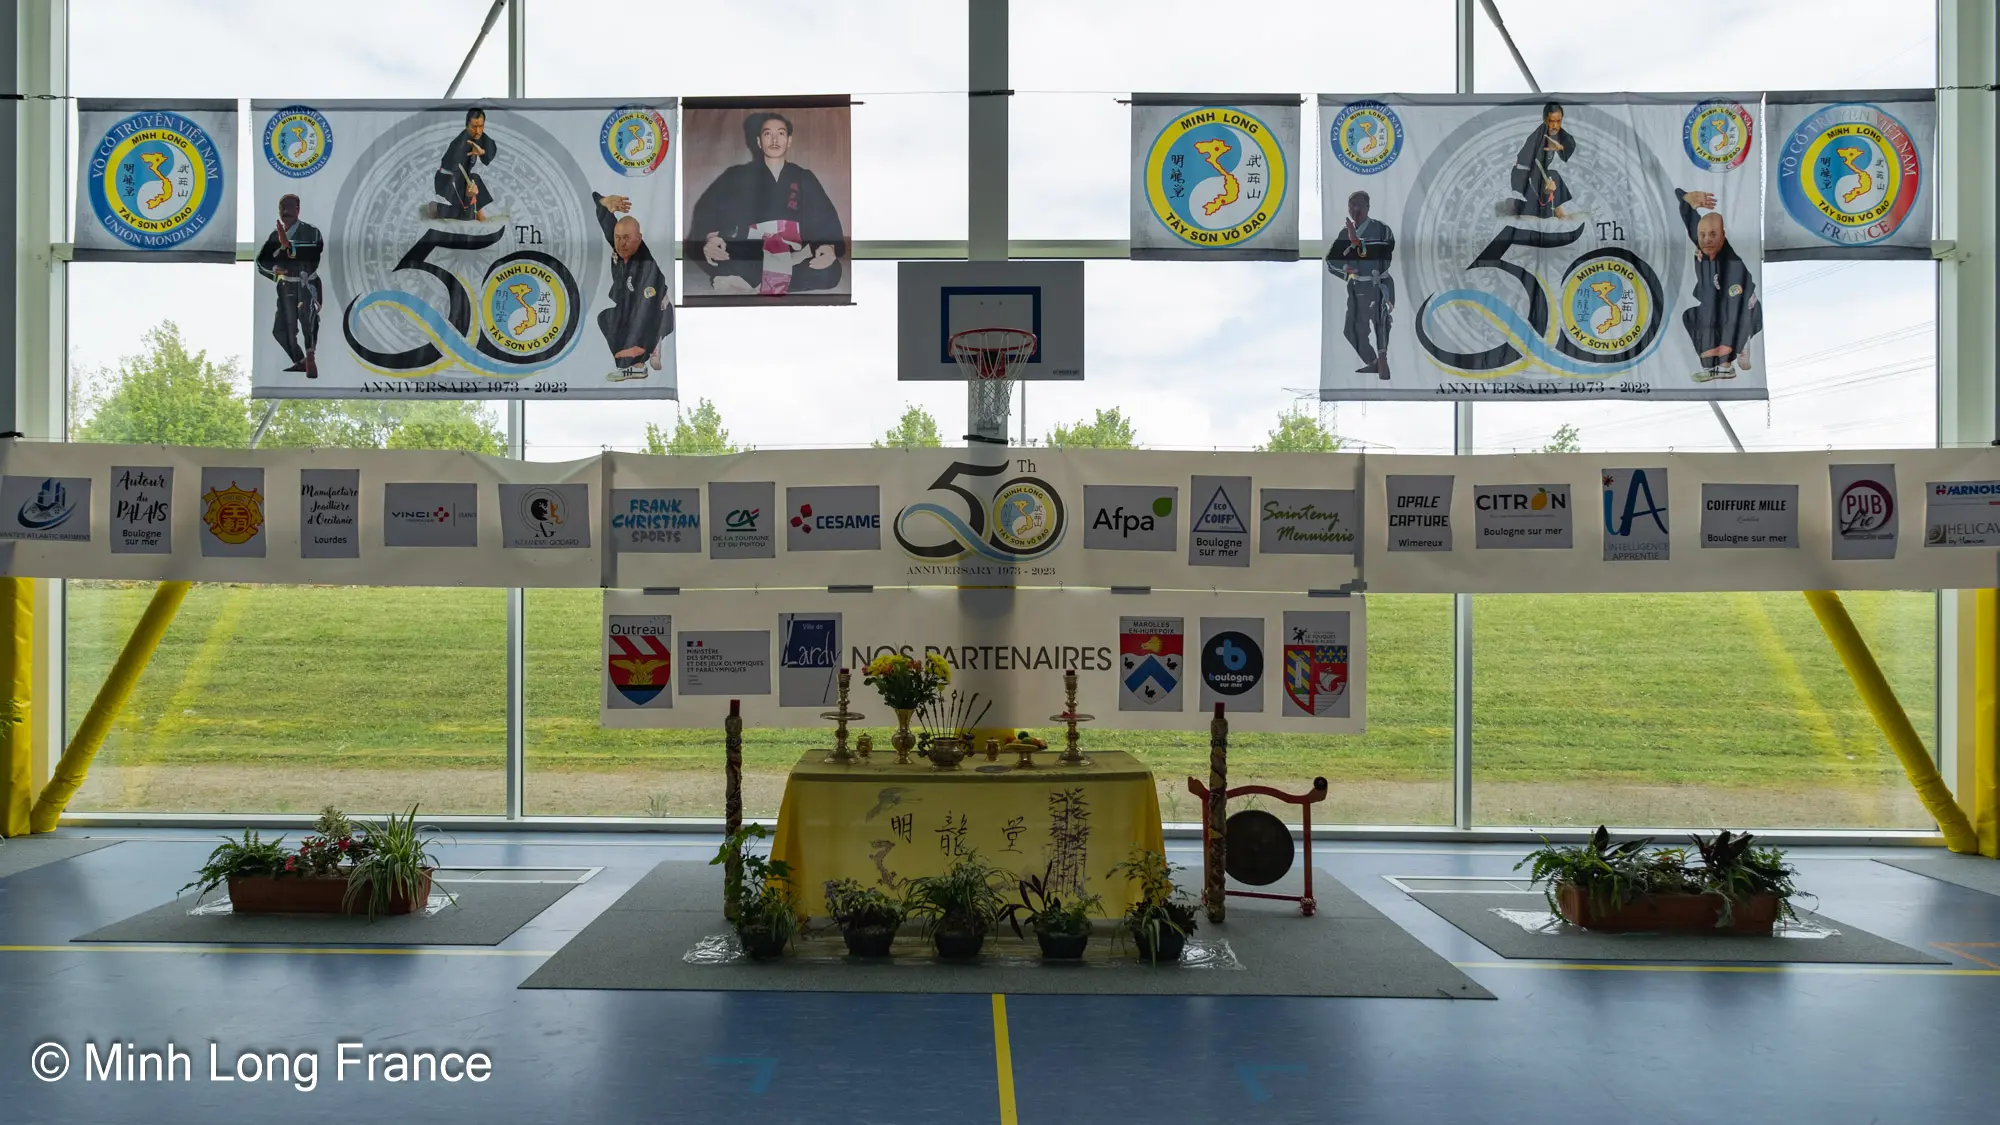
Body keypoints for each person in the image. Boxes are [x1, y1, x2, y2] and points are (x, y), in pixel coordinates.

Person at [685, 112, 845, 295]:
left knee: (830, 272)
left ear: (789, 141)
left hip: (794, 251)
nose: (775, 139)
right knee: (722, 258)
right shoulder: (737, 175)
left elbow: (822, 214)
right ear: (759, 142)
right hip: (752, 250)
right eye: (768, 134)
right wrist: (712, 239)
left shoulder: (804, 177)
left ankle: (753, 282)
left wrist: (826, 247)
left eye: (781, 133)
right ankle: (774, 279)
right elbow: (711, 208)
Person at [1673, 187, 1761, 383]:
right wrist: (1685, 198)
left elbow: (1734, 310)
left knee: (1721, 319)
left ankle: (1730, 358)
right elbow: (1692, 222)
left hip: (1745, 310)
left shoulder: (1732, 267)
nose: (1706, 240)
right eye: (1702, 236)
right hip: (1718, 300)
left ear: (1722, 235)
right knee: (1691, 316)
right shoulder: (1703, 245)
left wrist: (1726, 350)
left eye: (1712, 235)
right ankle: (1712, 361)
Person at [592, 191, 672, 382]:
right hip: (632, 305)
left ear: (639, 238)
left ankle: (638, 363)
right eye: (618, 238)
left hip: (656, 313)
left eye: (626, 238)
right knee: (606, 317)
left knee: (633, 321)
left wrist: (633, 351)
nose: (621, 243)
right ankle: (633, 359)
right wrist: (602, 203)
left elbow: (646, 311)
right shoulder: (620, 246)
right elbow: (607, 225)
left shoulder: (645, 267)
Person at [1325, 190, 1395, 379]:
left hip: (1378, 285)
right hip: (1357, 289)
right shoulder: (1344, 233)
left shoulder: (1381, 229)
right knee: (1352, 330)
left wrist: (1356, 242)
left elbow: (1382, 254)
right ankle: (1373, 362)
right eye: (1351, 205)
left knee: (1381, 323)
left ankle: (1382, 358)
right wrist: (1345, 267)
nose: (1355, 209)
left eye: (1359, 205)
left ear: (1367, 207)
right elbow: (1331, 261)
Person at [255, 193, 323, 379]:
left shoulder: (311, 232)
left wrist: (289, 247)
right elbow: (261, 262)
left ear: (298, 210)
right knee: (281, 329)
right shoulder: (273, 235)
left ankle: (310, 354)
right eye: (282, 209)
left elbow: (312, 252)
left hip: (305, 284)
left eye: (289, 208)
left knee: (308, 320)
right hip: (286, 288)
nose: (285, 212)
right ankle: (300, 361)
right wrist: (275, 269)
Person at [1510, 101, 1577, 220]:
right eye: (1551, 121)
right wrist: (1546, 188)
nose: (1555, 126)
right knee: (1541, 214)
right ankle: (1519, 204)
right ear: (1545, 120)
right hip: (1523, 175)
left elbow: (1570, 143)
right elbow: (1535, 166)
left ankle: (1556, 208)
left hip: (1539, 171)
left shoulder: (1558, 132)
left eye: (1558, 121)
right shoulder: (1538, 138)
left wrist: (1561, 147)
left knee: (1554, 175)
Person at [433, 106, 497, 221]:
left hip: (463, 176)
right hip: (448, 180)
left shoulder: (478, 136)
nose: (478, 131)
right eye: (474, 127)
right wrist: (468, 195)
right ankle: (437, 208)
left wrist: (482, 152)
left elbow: (491, 147)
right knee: (466, 215)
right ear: (467, 124)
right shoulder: (460, 144)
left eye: (481, 126)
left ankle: (479, 214)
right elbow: (456, 172)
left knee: (474, 178)